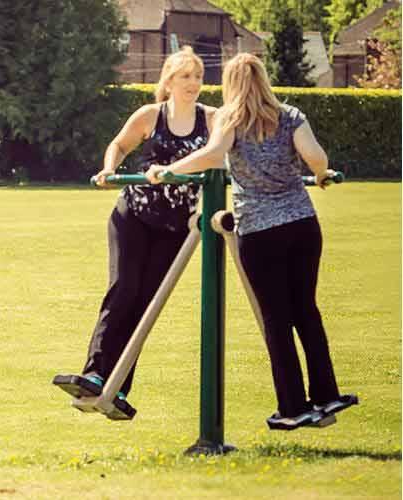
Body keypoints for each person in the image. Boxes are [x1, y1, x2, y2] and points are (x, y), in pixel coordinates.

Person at [147, 53, 356, 430]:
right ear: (263, 80)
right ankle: (326, 394)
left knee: (276, 319)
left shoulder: (230, 117)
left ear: (231, 84)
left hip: (260, 232)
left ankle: (293, 406)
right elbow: (315, 157)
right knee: (306, 310)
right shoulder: (290, 115)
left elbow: (211, 156)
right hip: (303, 225)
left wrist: (166, 170)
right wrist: (322, 174)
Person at [53, 47, 216, 418]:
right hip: (134, 217)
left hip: (175, 228)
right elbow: (120, 145)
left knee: (145, 305)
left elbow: (225, 150)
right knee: (124, 289)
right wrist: (109, 170)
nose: (193, 84)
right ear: (169, 81)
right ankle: (94, 374)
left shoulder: (211, 119)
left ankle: (118, 389)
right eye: (185, 76)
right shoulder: (150, 115)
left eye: (198, 77)